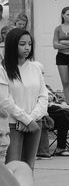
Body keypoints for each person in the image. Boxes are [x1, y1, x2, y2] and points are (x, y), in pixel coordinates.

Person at [1, 28, 49, 169]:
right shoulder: (3, 69)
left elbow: (43, 96)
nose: (27, 47)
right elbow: (5, 100)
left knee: (28, 168)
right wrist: (25, 120)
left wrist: (31, 119)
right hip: (12, 125)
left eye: (29, 44)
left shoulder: (35, 68)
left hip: (35, 124)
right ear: (12, 45)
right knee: (13, 167)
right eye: (22, 44)